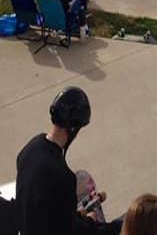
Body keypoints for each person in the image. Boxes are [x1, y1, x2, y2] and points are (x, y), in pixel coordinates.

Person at [15, 87, 123, 235]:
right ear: (73, 129)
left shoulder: (29, 149)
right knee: (116, 226)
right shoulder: (63, 178)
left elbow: (43, 207)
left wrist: (77, 216)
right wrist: (93, 222)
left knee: (82, 178)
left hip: (29, 225)